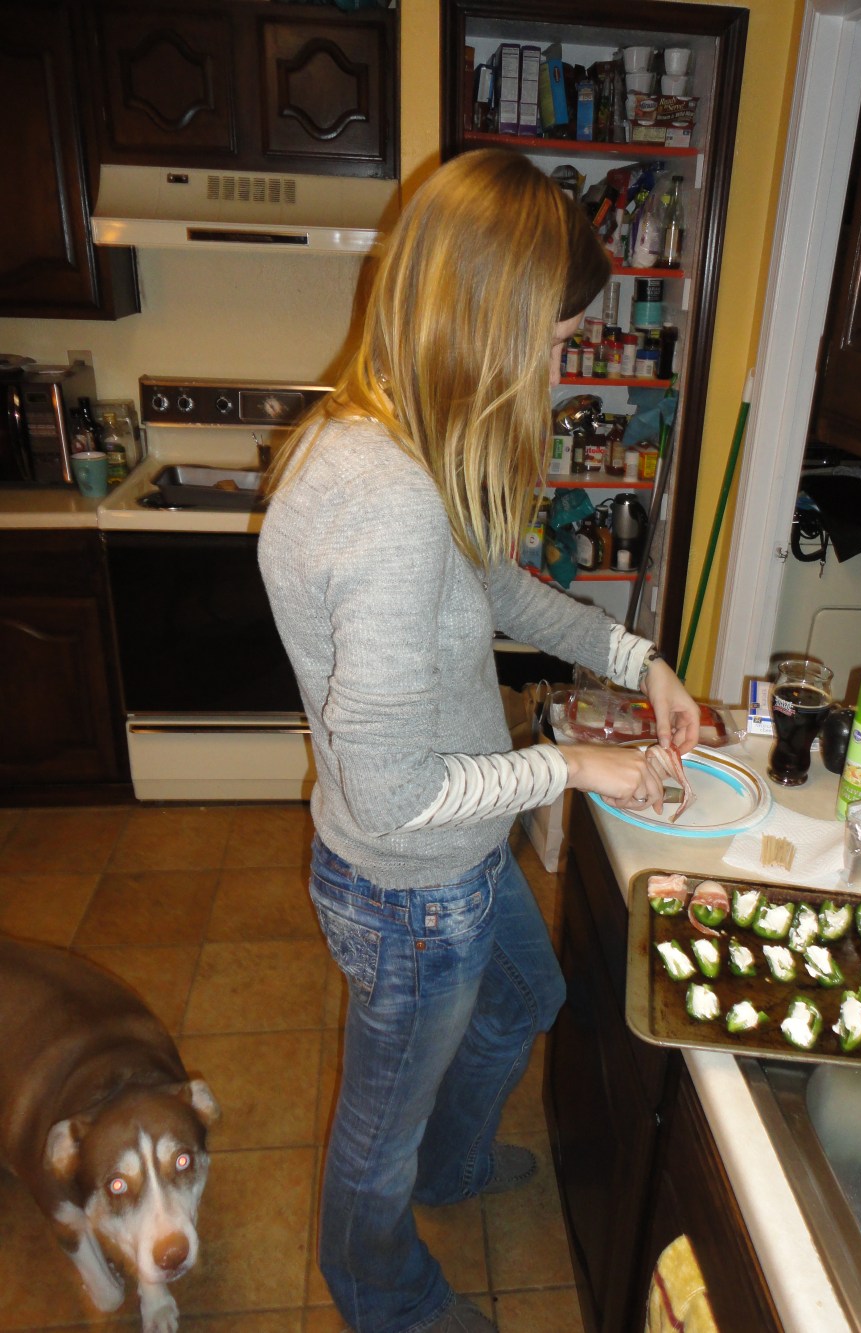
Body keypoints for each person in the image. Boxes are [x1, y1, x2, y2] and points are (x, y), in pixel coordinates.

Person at [258, 148, 700, 1333]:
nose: (556, 371)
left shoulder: (404, 439)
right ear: (491, 326)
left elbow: (497, 590)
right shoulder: (388, 501)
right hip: (410, 883)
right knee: (377, 1138)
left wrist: (637, 660)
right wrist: (575, 764)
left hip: (456, 853)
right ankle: (385, 1292)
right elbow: (394, 789)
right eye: (553, 341)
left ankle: (452, 1168)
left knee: (527, 993)